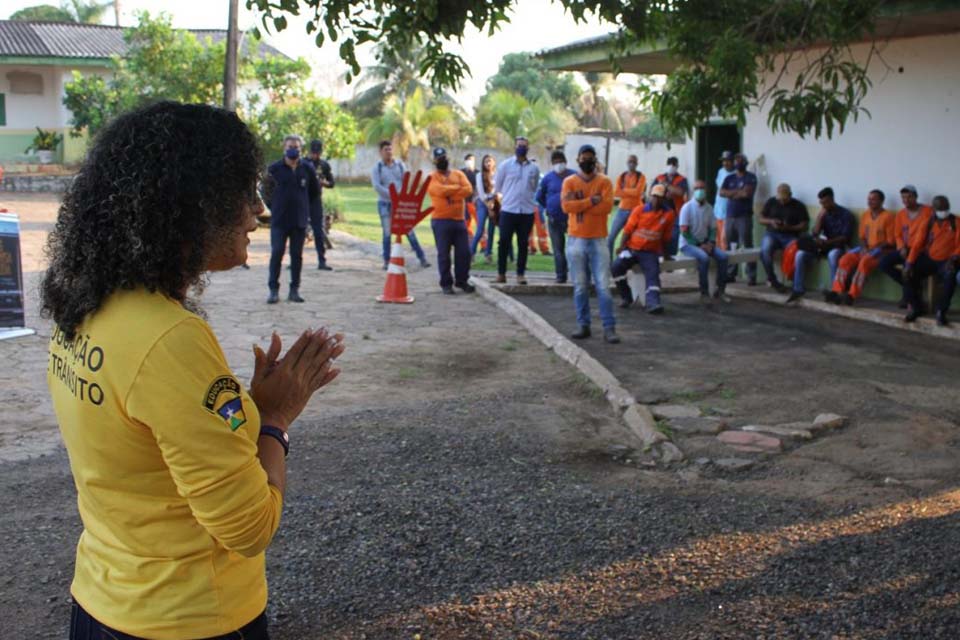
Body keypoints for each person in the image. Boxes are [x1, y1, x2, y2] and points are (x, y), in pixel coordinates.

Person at [41, 101, 346, 640]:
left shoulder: (88, 304)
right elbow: (249, 527)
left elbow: (149, 444)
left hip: (101, 602)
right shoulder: (170, 341)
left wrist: (241, 410)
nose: (257, 213)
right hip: (188, 620)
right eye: (241, 196)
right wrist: (274, 417)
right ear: (187, 208)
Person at [562, 144, 619, 343]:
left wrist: (583, 206)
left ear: (595, 160)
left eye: (590, 158)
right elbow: (567, 206)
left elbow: (606, 208)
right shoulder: (569, 182)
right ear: (578, 159)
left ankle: (609, 327)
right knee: (580, 286)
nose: (587, 161)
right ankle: (583, 324)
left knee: (603, 285)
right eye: (584, 158)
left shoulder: (605, 182)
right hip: (576, 239)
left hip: (598, 239)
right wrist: (590, 201)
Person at [262, 134, 317, 304]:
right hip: (279, 220)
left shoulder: (307, 169)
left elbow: (314, 192)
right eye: (290, 147)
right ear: (284, 149)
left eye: (296, 147)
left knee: (297, 256)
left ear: (301, 149)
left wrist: (305, 207)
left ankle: (294, 290)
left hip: (299, 221)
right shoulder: (274, 169)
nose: (293, 150)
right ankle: (273, 290)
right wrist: (275, 206)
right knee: (277, 253)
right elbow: (265, 191)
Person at [611, 184, 675, 314]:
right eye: (654, 196)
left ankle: (653, 303)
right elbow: (627, 230)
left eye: (659, 197)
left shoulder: (669, 214)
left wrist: (667, 255)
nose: (656, 200)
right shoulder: (639, 210)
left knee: (653, 273)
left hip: (650, 252)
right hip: (632, 249)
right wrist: (622, 247)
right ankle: (626, 297)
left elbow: (666, 237)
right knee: (616, 267)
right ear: (649, 196)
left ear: (664, 199)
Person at [826, 189, 895, 305]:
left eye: (873, 199)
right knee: (845, 259)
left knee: (865, 261)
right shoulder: (866, 215)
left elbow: (891, 241)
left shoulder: (888, 217)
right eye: (869, 199)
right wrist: (865, 247)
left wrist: (873, 249)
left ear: (881, 201)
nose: (870, 202)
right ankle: (836, 291)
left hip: (882, 252)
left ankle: (852, 295)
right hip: (866, 249)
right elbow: (862, 236)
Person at [371, 140, 430, 271]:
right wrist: (392, 195)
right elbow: (377, 186)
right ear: (381, 152)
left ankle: (422, 257)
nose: (389, 152)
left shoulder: (399, 165)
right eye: (386, 149)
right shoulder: (377, 168)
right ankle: (387, 260)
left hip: (401, 204)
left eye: (390, 149)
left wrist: (400, 194)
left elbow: (406, 180)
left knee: (409, 230)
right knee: (387, 233)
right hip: (385, 203)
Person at [903, 195, 959, 325]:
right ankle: (916, 308)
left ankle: (941, 311)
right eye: (940, 208)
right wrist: (909, 263)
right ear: (933, 209)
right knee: (907, 275)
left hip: (948, 261)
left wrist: (954, 257)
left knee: (950, 277)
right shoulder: (928, 222)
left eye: (946, 207)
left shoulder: (956, 222)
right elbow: (917, 245)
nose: (944, 210)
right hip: (930, 259)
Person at [427, 147, 475, 295]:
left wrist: (448, 190)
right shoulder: (431, 177)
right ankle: (446, 284)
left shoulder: (459, 174)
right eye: (439, 159)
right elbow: (438, 191)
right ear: (435, 161)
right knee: (444, 254)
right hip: (440, 221)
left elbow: (468, 190)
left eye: (444, 158)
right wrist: (456, 189)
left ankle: (462, 281)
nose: (443, 161)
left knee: (464, 253)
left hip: (459, 220)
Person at [494, 135, 541, 284]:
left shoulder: (534, 168)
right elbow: (499, 186)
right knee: (504, 242)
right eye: (519, 145)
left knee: (523, 243)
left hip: (526, 211)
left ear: (528, 148)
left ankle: (520, 274)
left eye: (524, 145)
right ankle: (501, 274)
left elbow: (534, 187)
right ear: (514, 147)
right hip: (508, 210)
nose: (522, 147)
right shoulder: (505, 165)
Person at [880, 185, 933, 307]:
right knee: (883, 263)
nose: (906, 200)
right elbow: (897, 234)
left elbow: (926, 236)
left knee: (907, 266)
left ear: (916, 197)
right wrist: (901, 247)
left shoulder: (928, 212)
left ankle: (908, 297)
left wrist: (914, 250)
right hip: (905, 249)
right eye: (903, 197)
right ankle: (912, 287)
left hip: (921, 250)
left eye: (909, 197)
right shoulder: (900, 214)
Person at [679, 180, 730, 303]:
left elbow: (713, 228)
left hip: (705, 243)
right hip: (688, 245)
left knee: (723, 257)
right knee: (704, 258)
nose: (699, 191)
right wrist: (700, 245)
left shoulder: (709, 208)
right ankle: (704, 292)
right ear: (693, 190)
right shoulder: (687, 207)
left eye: (702, 188)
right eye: (697, 188)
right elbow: (684, 231)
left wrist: (711, 243)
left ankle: (721, 290)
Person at [757, 183, 809, 294]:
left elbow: (804, 225)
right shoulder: (771, 202)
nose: (781, 202)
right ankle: (772, 279)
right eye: (780, 199)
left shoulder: (798, 205)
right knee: (765, 250)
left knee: (798, 252)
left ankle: (796, 281)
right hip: (772, 233)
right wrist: (771, 221)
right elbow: (760, 219)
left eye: (784, 199)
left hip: (789, 235)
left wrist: (789, 227)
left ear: (790, 195)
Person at [536, 150, 576, 283]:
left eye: (561, 161)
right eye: (556, 162)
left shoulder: (574, 176)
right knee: (558, 249)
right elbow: (540, 197)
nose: (559, 164)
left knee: (574, 249)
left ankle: (577, 275)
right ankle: (561, 275)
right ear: (552, 164)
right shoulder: (548, 178)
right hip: (554, 218)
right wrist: (549, 207)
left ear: (565, 162)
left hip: (572, 218)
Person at [719, 153, 759, 284]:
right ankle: (731, 273)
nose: (738, 163)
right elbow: (721, 192)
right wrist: (737, 193)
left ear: (746, 163)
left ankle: (751, 275)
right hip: (730, 215)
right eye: (736, 161)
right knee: (731, 247)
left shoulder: (751, 177)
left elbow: (747, 193)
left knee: (747, 245)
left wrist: (731, 193)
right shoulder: (729, 177)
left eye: (741, 160)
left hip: (744, 216)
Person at [810, 187, 856, 286]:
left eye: (825, 203)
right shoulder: (824, 214)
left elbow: (845, 237)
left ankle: (835, 289)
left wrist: (827, 242)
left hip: (840, 247)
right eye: (821, 203)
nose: (823, 206)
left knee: (832, 255)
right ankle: (798, 288)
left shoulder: (846, 215)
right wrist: (819, 218)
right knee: (801, 254)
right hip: (825, 246)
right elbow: (815, 233)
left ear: (832, 200)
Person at [607, 154, 646, 257]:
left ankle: (626, 263)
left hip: (636, 211)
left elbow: (638, 192)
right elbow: (616, 193)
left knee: (632, 240)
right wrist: (631, 192)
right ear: (626, 163)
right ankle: (609, 265)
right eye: (629, 161)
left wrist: (624, 191)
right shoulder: (622, 176)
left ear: (637, 164)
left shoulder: (641, 176)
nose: (631, 164)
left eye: (633, 161)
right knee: (611, 238)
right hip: (622, 210)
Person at [305, 139, 334, 270]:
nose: (315, 155)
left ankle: (322, 261)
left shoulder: (324, 165)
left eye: (318, 153)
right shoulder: (303, 163)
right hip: (302, 200)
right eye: (313, 152)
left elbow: (331, 183)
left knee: (318, 231)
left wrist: (324, 183)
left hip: (316, 200)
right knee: (299, 230)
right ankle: (294, 260)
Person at [652, 156, 689, 257]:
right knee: (659, 236)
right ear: (666, 165)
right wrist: (666, 193)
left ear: (677, 166)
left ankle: (670, 261)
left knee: (673, 238)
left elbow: (680, 192)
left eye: (674, 164)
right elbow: (652, 193)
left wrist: (665, 185)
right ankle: (660, 258)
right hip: (660, 213)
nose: (672, 166)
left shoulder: (682, 179)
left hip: (675, 214)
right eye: (670, 164)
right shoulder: (659, 177)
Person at [471, 154, 499, 261]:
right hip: (483, 203)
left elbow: (498, 190)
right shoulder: (479, 175)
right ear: (483, 163)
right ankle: (471, 253)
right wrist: (488, 205)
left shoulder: (497, 174)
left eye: (490, 161)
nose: (488, 163)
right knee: (480, 229)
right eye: (486, 161)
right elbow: (482, 194)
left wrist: (493, 203)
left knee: (492, 230)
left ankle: (488, 254)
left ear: (494, 162)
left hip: (494, 203)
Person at [714, 150, 736, 250]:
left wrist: (728, 193)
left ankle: (725, 265)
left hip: (729, 212)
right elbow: (720, 189)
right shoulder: (720, 171)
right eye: (724, 161)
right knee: (717, 240)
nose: (725, 163)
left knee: (725, 240)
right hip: (718, 210)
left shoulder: (736, 174)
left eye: (728, 161)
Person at [461, 153, 479, 243]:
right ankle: (470, 242)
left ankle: (484, 245)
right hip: (463, 202)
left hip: (475, 202)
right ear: (465, 161)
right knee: (466, 223)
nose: (470, 162)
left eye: (472, 160)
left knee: (480, 224)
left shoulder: (478, 173)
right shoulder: (461, 173)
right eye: (468, 160)